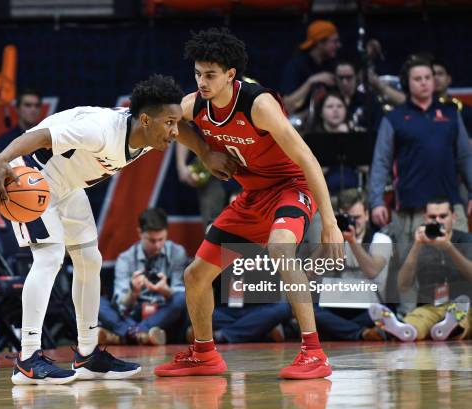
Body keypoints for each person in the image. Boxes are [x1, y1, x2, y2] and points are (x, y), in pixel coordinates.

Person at [0, 74, 237, 385]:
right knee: (50, 258)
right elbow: (40, 135)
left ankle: (88, 354)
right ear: (146, 120)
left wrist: (205, 153)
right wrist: (1, 160)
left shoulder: (149, 133)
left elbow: (184, 128)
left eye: (175, 123)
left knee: (90, 260)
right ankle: (26, 359)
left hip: (67, 186)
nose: (174, 131)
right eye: (169, 123)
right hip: (30, 178)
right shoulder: (100, 131)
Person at [154, 28, 344, 380]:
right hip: (252, 196)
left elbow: (307, 159)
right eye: (197, 74)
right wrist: (206, 153)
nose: (202, 82)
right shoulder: (195, 103)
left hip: (290, 187)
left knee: (280, 248)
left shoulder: (259, 105)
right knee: (195, 276)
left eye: (210, 75)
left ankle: (314, 352)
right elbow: (168, 121)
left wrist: (330, 223)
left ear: (230, 74)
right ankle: (204, 353)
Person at [370, 55, 472, 255]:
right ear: (407, 83)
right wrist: (376, 201)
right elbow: (381, 162)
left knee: (461, 269)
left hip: (450, 206)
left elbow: (465, 157)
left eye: (428, 77)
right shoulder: (394, 118)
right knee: (413, 270)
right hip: (412, 208)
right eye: (418, 79)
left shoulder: (451, 114)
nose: (424, 82)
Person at [370, 197, 472, 341]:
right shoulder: (417, 243)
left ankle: (453, 329)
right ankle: (403, 330)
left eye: (443, 216)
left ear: (453, 217)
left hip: (463, 306)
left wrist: (448, 247)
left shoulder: (466, 240)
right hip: (430, 307)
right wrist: (416, 246)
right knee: (416, 321)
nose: (437, 221)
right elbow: (402, 285)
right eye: (432, 217)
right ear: (425, 218)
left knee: (464, 320)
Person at [98, 208, 188, 345]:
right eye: (152, 240)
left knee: (183, 298)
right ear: (140, 233)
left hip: (165, 313)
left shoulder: (177, 252)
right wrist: (133, 292)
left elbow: (180, 296)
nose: (157, 245)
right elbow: (121, 304)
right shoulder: (125, 259)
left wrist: (164, 290)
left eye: (161, 239)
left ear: (167, 233)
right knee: (96, 303)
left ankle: (129, 334)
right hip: (136, 313)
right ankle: (141, 334)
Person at [312, 189, 392, 341]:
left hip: (369, 309)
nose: (352, 222)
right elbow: (309, 272)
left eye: (357, 217)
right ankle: (361, 333)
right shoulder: (333, 240)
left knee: (382, 315)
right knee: (308, 311)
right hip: (335, 307)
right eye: (347, 217)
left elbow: (372, 270)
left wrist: (352, 241)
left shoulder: (381, 239)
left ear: (367, 215)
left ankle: (342, 331)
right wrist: (327, 240)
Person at [280, 20, 341, 116]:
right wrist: (311, 81)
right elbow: (287, 106)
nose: (338, 45)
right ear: (320, 42)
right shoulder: (296, 66)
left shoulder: (333, 65)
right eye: (334, 41)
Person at [308, 92, 364, 195]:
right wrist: (336, 140)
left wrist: (347, 139)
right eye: (330, 106)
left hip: (352, 193)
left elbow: (365, 168)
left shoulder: (354, 135)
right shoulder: (312, 139)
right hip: (322, 195)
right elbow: (315, 174)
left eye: (340, 106)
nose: (335, 110)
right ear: (321, 112)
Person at [0, 88, 44, 152]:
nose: (33, 110)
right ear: (17, 109)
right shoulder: (5, 141)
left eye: (37, 106)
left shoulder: (47, 139)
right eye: (28, 105)